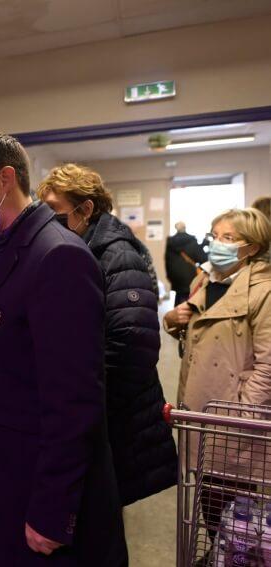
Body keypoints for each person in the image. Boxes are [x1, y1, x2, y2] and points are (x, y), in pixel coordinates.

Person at [0, 131, 127, 566]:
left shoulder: (59, 257)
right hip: (3, 474)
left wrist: (52, 511)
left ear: (5, 179)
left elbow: (74, 402)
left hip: (34, 490)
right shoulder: (7, 251)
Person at [38, 163, 177, 507]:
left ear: (85, 209)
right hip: (97, 411)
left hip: (114, 415)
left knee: (101, 517)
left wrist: (84, 405)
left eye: (53, 211)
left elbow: (131, 346)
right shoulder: (76, 249)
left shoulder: (116, 255)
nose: (45, 221)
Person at [163, 207, 271, 537]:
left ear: (251, 247)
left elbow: (269, 365)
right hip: (201, 410)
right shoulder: (203, 280)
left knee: (241, 518)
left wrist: (240, 411)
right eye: (215, 236)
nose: (217, 244)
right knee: (209, 507)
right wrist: (172, 320)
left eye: (229, 238)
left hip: (235, 421)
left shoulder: (263, 291)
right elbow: (196, 335)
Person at [166, 221, 207, 306]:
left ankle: (176, 315)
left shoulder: (170, 242)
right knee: (189, 298)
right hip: (190, 275)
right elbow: (202, 258)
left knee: (179, 297)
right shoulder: (192, 240)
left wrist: (169, 276)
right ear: (185, 228)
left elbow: (167, 261)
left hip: (175, 276)